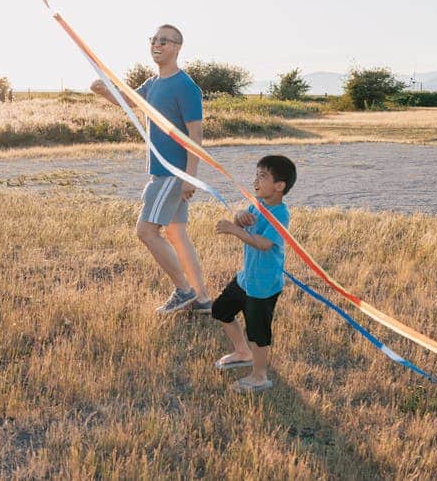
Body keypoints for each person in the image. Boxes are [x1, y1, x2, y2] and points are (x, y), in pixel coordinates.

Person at [89, 24, 210, 314]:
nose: (157, 44)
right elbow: (128, 100)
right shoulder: (152, 83)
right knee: (177, 235)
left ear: (177, 48)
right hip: (163, 172)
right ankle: (203, 301)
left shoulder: (186, 86)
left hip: (173, 173)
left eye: (164, 41)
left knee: (146, 231)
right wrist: (102, 89)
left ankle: (183, 291)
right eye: (154, 39)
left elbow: (196, 135)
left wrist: (190, 177)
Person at [211, 155, 296, 393]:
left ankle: (260, 377)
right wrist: (239, 218)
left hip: (264, 285)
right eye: (256, 174)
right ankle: (242, 352)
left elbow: (264, 243)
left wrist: (233, 231)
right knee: (221, 310)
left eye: (262, 176)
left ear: (279, 186)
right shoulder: (257, 204)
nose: (255, 180)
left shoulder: (280, 214)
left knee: (258, 334)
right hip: (246, 278)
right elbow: (244, 220)